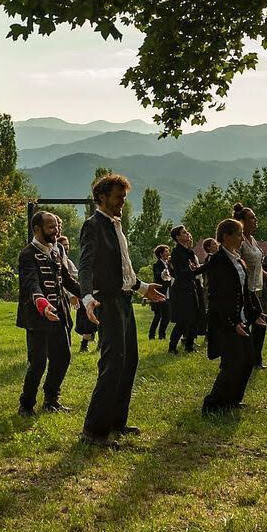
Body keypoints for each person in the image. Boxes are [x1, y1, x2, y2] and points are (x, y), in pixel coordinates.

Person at [79, 173, 166, 448]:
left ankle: (117, 421)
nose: (122, 204)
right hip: (107, 301)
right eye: (118, 198)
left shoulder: (116, 226)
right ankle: (93, 431)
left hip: (124, 301)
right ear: (102, 197)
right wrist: (87, 297)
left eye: (124, 199)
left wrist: (142, 288)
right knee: (113, 362)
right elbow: (85, 265)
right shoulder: (92, 226)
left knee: (129, 361)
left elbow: (122, 270)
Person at [16, 212, 81, 415]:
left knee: (63, 357)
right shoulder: (27, 254)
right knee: (38, 363)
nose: (57, 231)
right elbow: (31, 283)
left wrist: (88, 295)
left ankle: (51, 400)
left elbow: (68, 281)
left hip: (59, 313)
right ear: (37, 229)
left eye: (57, 227)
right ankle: (26, 405)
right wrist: (43, 304)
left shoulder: (55, 252)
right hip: (38, 316)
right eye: (51, 227)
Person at [201, 218, 258, 415]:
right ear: (226, 236)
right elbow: (217, 296)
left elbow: (244, 292)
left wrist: (254, 313)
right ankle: (213, 404)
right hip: (225, 320)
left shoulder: (237, 259)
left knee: (248, 359)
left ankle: (233, 399)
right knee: (233, 362)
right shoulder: (218, 261)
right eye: (239, 234)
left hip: (240, 317)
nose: (242, 238)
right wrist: (232, 323)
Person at [234, 204, 267, 367]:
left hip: (253, 288)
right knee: (257, 323)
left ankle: (251, 359)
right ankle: (247, 359)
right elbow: (235, 265)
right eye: (252, 218)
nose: (256, 220)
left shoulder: (252, 240)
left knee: (253, 324)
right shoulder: (239, 240)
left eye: (255, 217)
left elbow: (256, 264)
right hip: (242, 290)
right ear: (241, 221)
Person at [167, 225, 203, 353]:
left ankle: (189, 345)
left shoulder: (189, 252)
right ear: (178, 237)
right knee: (183, 320)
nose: (187, 234)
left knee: (194, 317)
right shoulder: (176, 253)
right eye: (184, 233)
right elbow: (182, 272)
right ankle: (172, 347)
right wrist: (198, 269)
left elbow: (194, 269)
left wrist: (197, 269)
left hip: (191, 286)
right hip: (181, 289)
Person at [148, 244, 172, 340]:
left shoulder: (169, 264)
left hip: (168, 293)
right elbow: (158, 275)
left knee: (167, 316)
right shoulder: (156, 265)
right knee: (158, 316)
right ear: (161, 254)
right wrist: (165, 272)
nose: (168, 253)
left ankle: (162, 335)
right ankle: (151, 335)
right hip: (158, 293)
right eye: (166, 251)